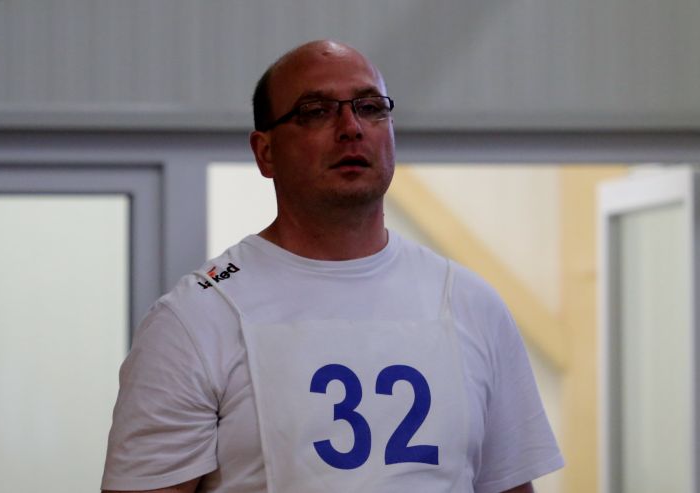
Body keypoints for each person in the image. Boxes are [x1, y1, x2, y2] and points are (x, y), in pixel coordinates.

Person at [101, 39, 563, 493]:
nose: (351, 127)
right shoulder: (197, 316)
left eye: (370, 107)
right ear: (265, 152)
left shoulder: (469, 302)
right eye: (316, 111)